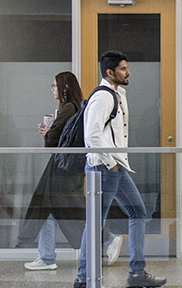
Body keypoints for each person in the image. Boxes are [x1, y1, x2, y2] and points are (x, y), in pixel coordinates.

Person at [73, 50, 167, 288]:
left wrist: (116, 163)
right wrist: (109, 161)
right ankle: (83, 281)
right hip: (103, 169)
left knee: (138, 211)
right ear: (110, 72)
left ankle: (137, 273)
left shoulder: (117, 94)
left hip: (116, 167)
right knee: (95, 224)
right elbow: (91, 136)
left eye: (127, 67)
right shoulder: (103, 97)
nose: (128, 72)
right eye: (123, 68)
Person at [19, 71, 123, 271]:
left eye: (55, 86)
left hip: (61, 168)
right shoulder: (74, 107)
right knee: (48, 210)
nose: (52, 90)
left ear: (65, 88)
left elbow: (53, 141)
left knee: (69, 210)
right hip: (66, 166)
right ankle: (47, 256)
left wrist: (48, 133)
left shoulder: (68, 108)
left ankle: (106, 238)